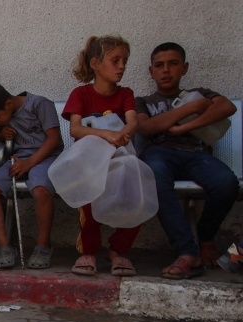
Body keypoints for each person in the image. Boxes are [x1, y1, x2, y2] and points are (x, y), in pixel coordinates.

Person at [135, 42, 239, 279]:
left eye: (173, 64)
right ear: (151, 71)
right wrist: (192, 108)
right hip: (159, 153)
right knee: (152, 175)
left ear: (185, 68)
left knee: (226, 182)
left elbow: (227, 107)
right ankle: (187, 251)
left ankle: (205, 235)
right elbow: (147, 127)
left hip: (197, 155)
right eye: (159, 65)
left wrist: (184, 128)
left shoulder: (201, 92)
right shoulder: (143, 101)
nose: (166, 70)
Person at [62, 35, 140, 277]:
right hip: (89, 164)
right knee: (89, 203)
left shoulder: (125, 93)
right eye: (115, 60)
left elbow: (133, 122)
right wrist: (107, 134)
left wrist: (123, 134)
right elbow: (75, 129)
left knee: (135, 198)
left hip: (119, 161)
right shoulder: (81, 94)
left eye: (124, 61)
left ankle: (118, 251)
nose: (122, 66)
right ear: (95, 63)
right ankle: (89, 251)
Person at [0, 84, 62, 270]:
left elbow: (53, 139)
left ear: (8, 104)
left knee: (40, 189)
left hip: (46, 158)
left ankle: (43, 246)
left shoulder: (39, 104)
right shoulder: (3, 115)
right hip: (18, 160)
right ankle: (5, 247)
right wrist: (1, 135)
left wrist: (29, 163)